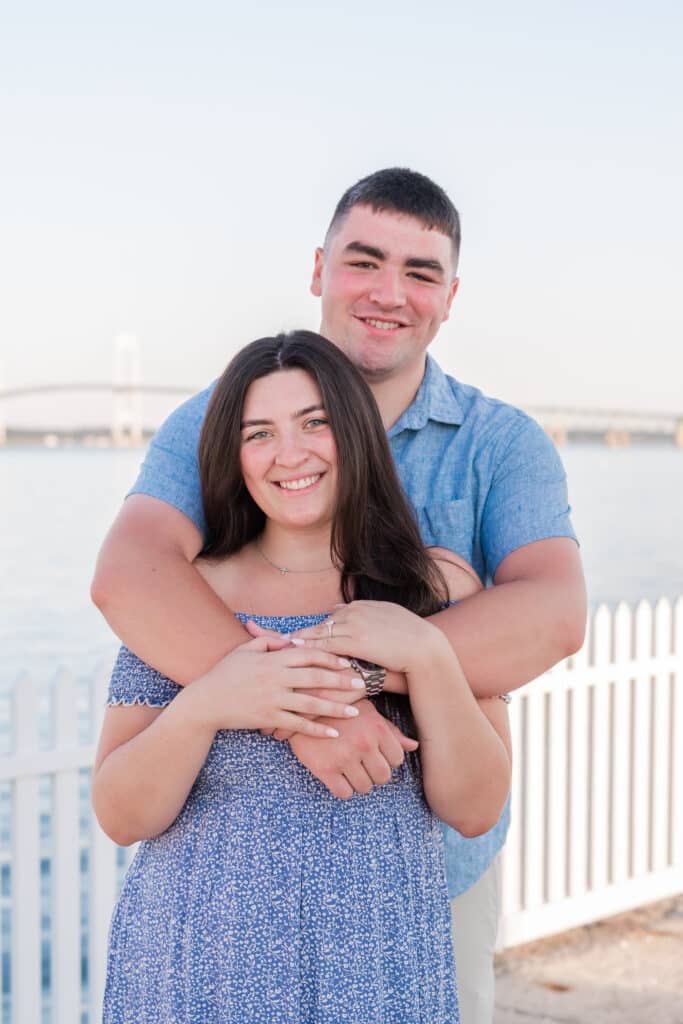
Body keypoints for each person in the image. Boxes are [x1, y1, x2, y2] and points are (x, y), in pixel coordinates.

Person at [92, 168, 586, 1024]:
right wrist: (293, 705)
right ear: (319, 268)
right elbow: (134, 578)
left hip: (407, 899)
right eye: (364, 261)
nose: (389, 292)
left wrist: (404, 662)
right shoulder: (211, 425)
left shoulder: (488, 468)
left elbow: (549, 618)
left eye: (420, 272)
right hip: (210, 932)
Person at [93, 331, 512, 1023]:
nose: (290, 453)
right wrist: (207, 705)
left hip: (377, 965)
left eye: (314, 422)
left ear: (353, 430)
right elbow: (120, 814)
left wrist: (430, 657)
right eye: (259, 433)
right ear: (233, 455)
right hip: (201, 964)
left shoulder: (433, 587)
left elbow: (474, 809)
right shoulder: (190, 594)